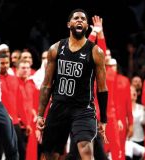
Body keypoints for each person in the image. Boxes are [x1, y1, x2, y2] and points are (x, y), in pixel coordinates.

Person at [36, 8, 108, 160]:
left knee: (86, 150)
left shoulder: (96, 52)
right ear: (69, 24)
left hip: (83, 109)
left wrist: (104, 119)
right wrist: (40, 114)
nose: (80, 20)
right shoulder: (55, 49)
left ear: (87, 26)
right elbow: (47, 84)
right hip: (58, 107)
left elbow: (102, 88)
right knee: (49, 154)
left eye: (83, 19)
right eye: (76, 18)